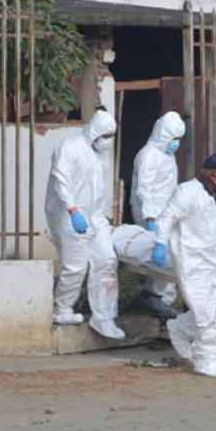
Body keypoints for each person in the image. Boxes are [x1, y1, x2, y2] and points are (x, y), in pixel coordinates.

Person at [150, 154, 216, 379]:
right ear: (214, 174)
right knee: (205, 313)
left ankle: (179, 328)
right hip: (193, 262)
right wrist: (160, 244)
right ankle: (206, 360)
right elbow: (166, 218)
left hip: (214, 261)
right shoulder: (187, 192)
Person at [44, 109, 126, 340]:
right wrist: (72, 209)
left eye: (112, 136)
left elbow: (98, 187)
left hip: (95, 216)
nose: (110, 141)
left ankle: (104, 317)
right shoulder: (69, 147)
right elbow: (62, 179)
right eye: (107, 136)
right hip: (69, 214)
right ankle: (62, 309)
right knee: (75, 266)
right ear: (96, 133)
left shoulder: (98, 153)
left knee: (106, 260)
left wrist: (100, 217)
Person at [130, 111, 186, 320]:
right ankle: (154, 296)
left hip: (166, 214)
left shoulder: (167, 156)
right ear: (163, 136)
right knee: (160, 256)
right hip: (151, 215)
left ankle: (161, 299)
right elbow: (144, 190)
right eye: (173, 139)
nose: (176, 144)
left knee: (170, 257)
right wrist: (150, 219)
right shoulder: (148, 156)